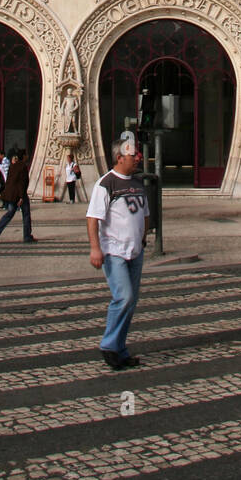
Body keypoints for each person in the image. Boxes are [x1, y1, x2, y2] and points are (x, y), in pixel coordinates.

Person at [86, 140, 151, 370]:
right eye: (134, 154)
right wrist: (96, 248)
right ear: (119, 157)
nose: (138, 157)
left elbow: (144, 213)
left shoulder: (137, 183)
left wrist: (143, 238)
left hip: (135, 250)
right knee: (123, 297)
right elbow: (93, 218)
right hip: (114, 252)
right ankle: (109, 344)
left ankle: (120, 350)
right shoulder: (105, 184)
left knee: (130, 302)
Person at [0, 151, 36, 243]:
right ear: (23, 156)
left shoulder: (13, 165)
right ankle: (27, 236)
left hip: (11, 194)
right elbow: (22, 183)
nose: (27, 156)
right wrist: (21, 197)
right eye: (26, 155)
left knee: (10, 212)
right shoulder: (23, 166)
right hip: (19, 194)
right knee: (26, 214)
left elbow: (9, 180)